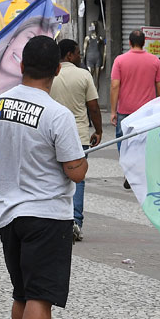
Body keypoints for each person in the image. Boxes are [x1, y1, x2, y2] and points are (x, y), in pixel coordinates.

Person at [0, 35, 87, 319]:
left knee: (22, 292)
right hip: (47, 214)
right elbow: (75, 170)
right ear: (57, 70)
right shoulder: (57, 115)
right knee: (40, 296)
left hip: (8, 213)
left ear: (22, 65)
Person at [50, 38, 102, 242]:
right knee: (77, 179)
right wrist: (98, 130)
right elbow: (94, 106)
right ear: (69, 55)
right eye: (79, 53)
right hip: (78, 134)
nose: (81, 56)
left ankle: (55, 220)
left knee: (54, 176)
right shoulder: (83, 75)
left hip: (52, 133)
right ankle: (75, 222)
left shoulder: (50, 74)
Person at [110, 30, 160, 187]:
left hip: (125, 111)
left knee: (124, 141)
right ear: (144, 42)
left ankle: (129, 171)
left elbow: (114, 86)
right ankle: (140, 171)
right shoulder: (154, 61)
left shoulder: (120, 61)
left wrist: (113, 110)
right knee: (144, 142)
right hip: (147, 111)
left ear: (129, 42)